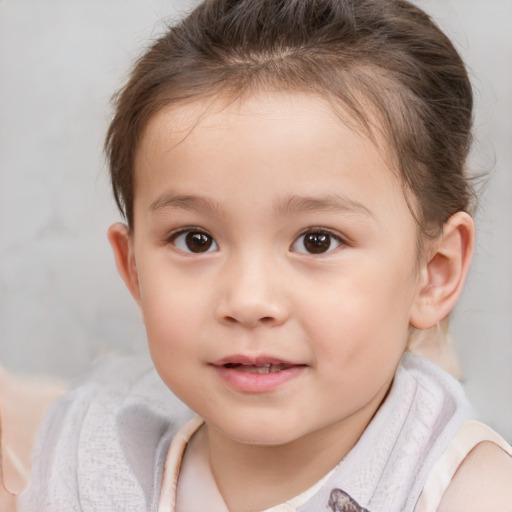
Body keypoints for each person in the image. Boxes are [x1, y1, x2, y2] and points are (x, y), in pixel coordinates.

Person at [19, 0, 512, 511]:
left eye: (317, 240)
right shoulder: (90, 448)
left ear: (434, 273)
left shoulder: (469, 494)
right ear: (134, 269)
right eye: (196, 239)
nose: (249, 300)